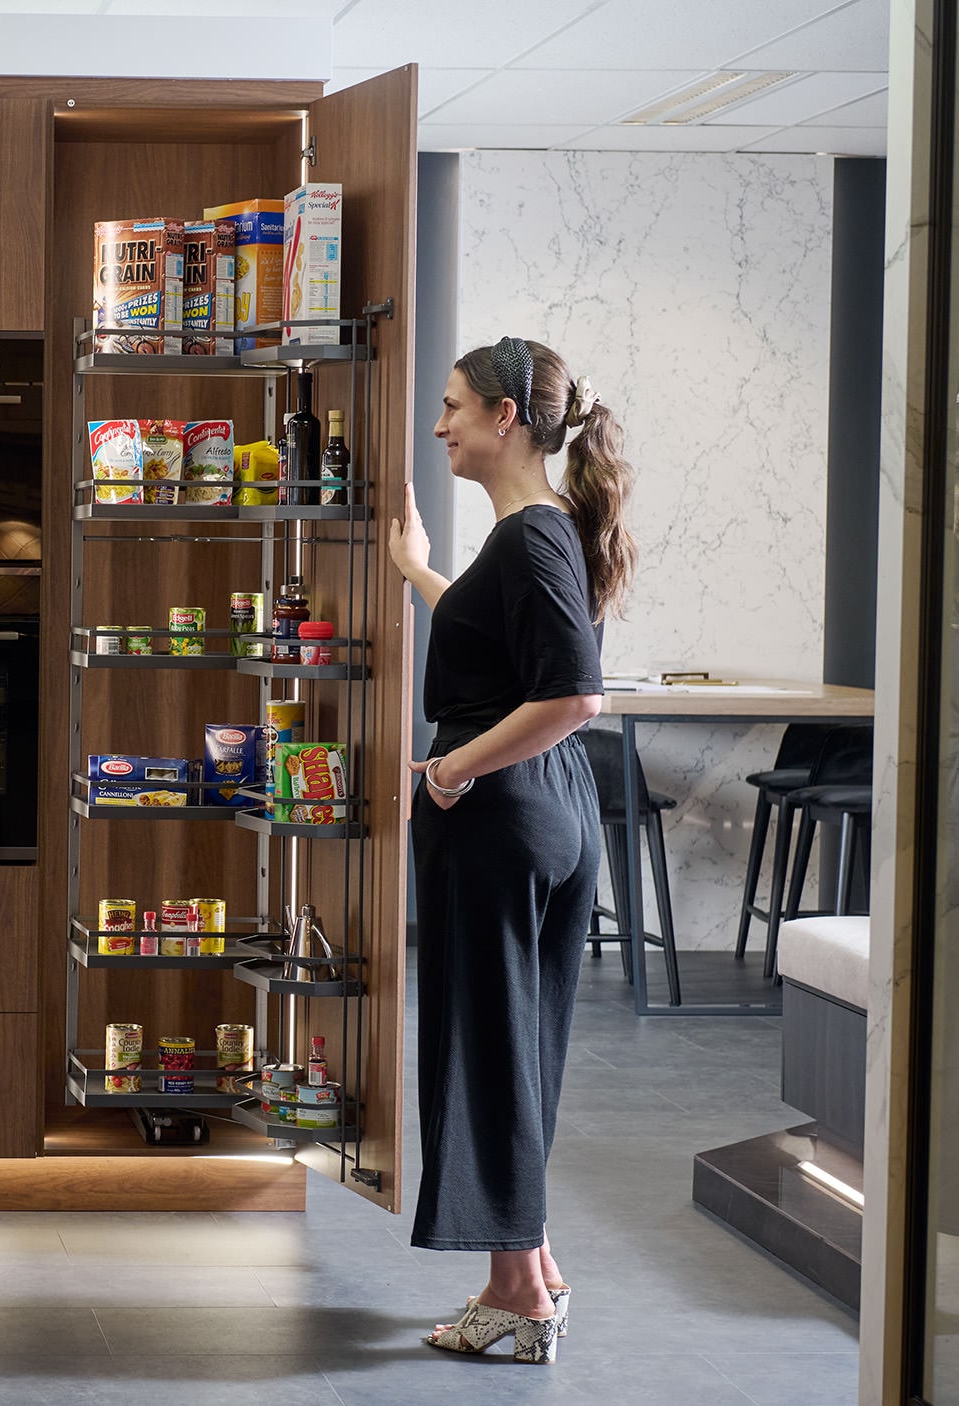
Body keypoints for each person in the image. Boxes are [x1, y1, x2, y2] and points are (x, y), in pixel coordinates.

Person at [386, 336, 637, 1366]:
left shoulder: (534, 535)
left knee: (487, 1044)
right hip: (541, 810)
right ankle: (531, 1272)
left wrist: (453, 771)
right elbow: (498, 648)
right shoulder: (535, 532)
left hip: (500, 811)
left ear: (506, 418)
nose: (438, 424)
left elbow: (574, 694)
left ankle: (517, 1289)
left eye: (452, 407)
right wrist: (416, 571)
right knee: (513, 1042)